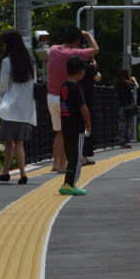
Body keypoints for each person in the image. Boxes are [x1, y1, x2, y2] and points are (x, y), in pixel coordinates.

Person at [0, 29, 37, 184]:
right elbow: (34, 83)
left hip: (11, 106)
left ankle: (20, 173)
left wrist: (1, 102)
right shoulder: (30, 60)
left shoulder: (7, 61)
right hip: (26, 107)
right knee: (19, 142)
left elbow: (3, 84)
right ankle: (10, 172)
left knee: (9, 141)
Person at [45, 27, 98, 173]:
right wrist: (88, 35)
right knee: (66, 133)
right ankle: (62, 165)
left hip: (50, 96)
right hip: (63, 98)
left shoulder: (54, 49)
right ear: (76, 41)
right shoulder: (74, 53)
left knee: (59, 132)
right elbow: (96, 49)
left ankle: (55, 163)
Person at [59, 55, 91, 196]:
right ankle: (71, 185)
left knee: (70, 156)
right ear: (81, 72)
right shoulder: (77, 89)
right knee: (77, 158)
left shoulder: (63, 86)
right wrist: (88, 124)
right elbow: (84, 109)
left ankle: (67, 183)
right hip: (77, 127)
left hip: (65, 125)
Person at [78, 58, 101, 165]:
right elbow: (98, 78)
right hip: (87, 101)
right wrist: (94, 67)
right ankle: (84, 158)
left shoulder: (76, 65)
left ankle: (75, 156)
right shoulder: (90, 67)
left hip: (75, 99)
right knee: (87, 128)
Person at [115, 70, 138, 146]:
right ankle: (127, 141)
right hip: (128, 107)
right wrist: (134, 79)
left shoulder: (118, 84)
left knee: (122, 124)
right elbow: (137, 86)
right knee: (128, 124)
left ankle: (121, 140)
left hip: (121, 106)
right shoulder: (128, 83)